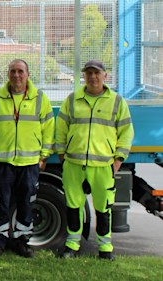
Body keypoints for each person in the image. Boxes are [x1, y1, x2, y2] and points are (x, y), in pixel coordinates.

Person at [56, 60, 134, 261]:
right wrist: (63, 154)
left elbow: (126, 133)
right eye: (88, 73)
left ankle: (105, 249)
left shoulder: (117, 101)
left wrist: (118, 160)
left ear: (105, 76)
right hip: (74, 164)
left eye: (96, 73)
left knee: (103, 208)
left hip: (103, 165)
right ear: (83, 76)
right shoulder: (73, 100)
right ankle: (72, 246)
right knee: (73, 206)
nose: (92, 77)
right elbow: (61, 129)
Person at [0, 59, 55, 258]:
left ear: (27, 75)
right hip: (2, 161)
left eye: (20, 71)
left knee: (26, 203)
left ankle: (22, 242)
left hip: (29, 162)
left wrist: (44, 155)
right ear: (8, 74)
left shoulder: (40, 99)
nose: (16, 75)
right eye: (12, 71)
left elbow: (49, 129)